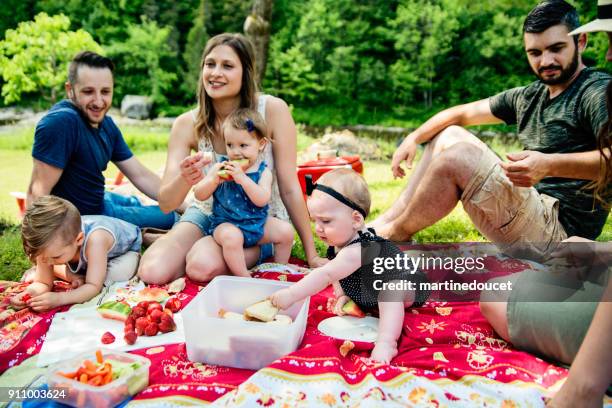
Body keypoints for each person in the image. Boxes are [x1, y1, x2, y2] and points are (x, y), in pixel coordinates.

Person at [371, 0, 610, 258]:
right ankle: (381, 226)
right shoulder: (531, 96)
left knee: (459, 158)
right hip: (526, 209)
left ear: (581, 41)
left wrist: (548, 164)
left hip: (560, 235)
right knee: (449, 134)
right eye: (535, 53)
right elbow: (460, 113)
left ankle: (393, 236)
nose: (546, 61)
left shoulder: (596, 92)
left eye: (556, 48)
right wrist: (413, 137)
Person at [138, 33, 325, 285]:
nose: (215, 73)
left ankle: (226, 252)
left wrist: (311, 254)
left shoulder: (272, 110)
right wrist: (185, 178)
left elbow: (290, 188)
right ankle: (191, 244)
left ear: (245, 72)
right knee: (152, 271)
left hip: (257, 219)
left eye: (227, 66)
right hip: (208, 213)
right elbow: (166, 203)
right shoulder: (186, 124)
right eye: (210, 64)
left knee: (201, 267)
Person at [270, 169, 428, 363]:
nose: (318, 228)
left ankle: (387, 342)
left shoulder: (359, 249)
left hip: (407, 284)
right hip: (370, 291)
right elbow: (337, 273)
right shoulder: (339, 245)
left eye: (326, 221)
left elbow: (326, 274)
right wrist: (343, 294)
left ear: (356, 220)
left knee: (390, 291)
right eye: (315, 220)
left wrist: (291, 294)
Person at [27, 51, 178, 230]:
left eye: (105, 92)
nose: (98, 102)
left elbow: (140, 174)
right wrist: (36, 248)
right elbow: (36, 194)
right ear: (70, 90)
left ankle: (139, 205)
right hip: (88, 218)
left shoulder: (106, 123)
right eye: (88, 91)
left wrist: (181, 201)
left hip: (101, 199)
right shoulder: (60, 123)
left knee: (149, 203)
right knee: (172, 217)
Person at [193, 108, 294, 276]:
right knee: (232, 237)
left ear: (261, 145)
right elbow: (199, 194)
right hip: (226, 224)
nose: (236, 151)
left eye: (243, 145)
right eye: (230, 145)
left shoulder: (263, 172)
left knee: (286, 231)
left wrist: (243, 179)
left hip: (257, 224)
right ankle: (243, 275)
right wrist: (213, 180)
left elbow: (262, 199)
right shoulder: (221, 168)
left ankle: (279, 268)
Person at [12, 195, 142, 312]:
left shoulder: (96, 239)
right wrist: (29, 294)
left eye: (56, 257)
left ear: (79, 239)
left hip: (124, 251)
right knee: (83, 272)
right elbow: (43, 283)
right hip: (82, 254)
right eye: (45, 259)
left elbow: (93, 287)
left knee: (115, 275)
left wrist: (60, 298)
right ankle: (73, 272)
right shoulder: (49, 246)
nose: (49, 261)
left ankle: (69, 273)